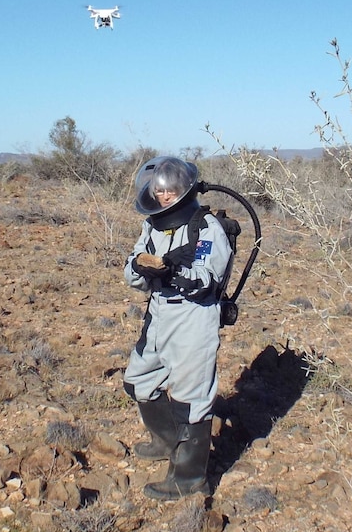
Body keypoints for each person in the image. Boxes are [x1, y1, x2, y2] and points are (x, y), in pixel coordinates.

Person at [122, 156, 232, 501]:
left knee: (190, 399)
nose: (165, 197)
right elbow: (132, 269)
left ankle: (189, 479)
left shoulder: (207, 228)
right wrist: (142, 268)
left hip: (193, 318)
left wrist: (169, 272)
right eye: (159, 191)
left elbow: (206, 279)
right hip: (160, 313)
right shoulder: (152, 227)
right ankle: (167, 441)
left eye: (170, 191)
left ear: (184, 190)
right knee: (138, 381)